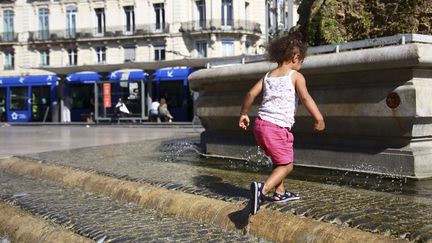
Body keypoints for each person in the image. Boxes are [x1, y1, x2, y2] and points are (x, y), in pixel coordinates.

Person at [238, 31, 325, 215]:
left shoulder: (267, 75)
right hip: (276, 127)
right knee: (287, 165)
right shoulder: (295, 76)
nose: (301, 63)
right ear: (295, 57)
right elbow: (306, 98)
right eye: (302, 59)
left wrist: (244, 114)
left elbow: (250, 94)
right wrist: (319, 118)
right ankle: (262, 190)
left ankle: (280, 192)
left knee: (279, 160)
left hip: (260, 125)